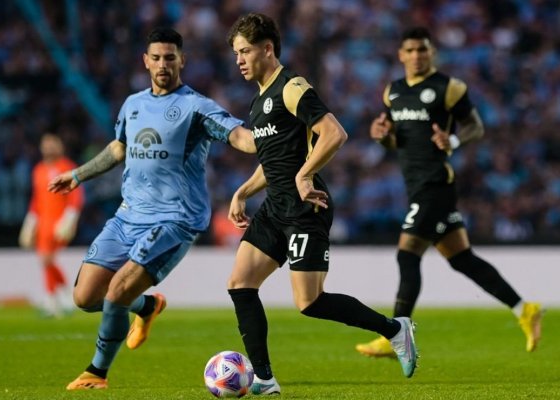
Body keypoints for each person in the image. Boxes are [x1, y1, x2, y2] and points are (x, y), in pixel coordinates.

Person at [48, 27, 257, 390]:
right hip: (128, 215)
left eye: (170, 57)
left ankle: (97, 372)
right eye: (156, 58)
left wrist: (269, 136)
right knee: (84, 298)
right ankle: (146, 307)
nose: (163, 64)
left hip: (174, 220)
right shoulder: (133, 104)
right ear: (145, 61)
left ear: (182, 60)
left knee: (116, 293)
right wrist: (78, 176)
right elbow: (118, 149)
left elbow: (239, 136)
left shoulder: (196, 107)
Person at [225, 13, 418, 395]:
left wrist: (305, 173)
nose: (239, 60)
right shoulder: (259, 101)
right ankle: (264, 378)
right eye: (235, 53)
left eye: (245, 51)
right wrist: (243, 190)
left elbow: (334, 132)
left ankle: (395, 329)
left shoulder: (292, 86)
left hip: (305, 208)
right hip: (275, 208)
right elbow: (274, 160)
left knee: (309, 302)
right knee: (240, 283)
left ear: (267, 48)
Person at [355, 27, 542, 358]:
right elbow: (396, 140)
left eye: (423, 50)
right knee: (462, 259)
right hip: (415, 183)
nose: (417, 56)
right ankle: (524, 309)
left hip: (436, 183)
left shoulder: (449, 88)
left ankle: (394, 333)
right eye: (410, 50)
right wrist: (381, 135)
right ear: (401, 55)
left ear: (432, 53)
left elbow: (475, 126)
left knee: (406, 253)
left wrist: (452, 141)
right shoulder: (393, 92)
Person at [19, 133, 84, 317]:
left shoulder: (67, 167)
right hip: (43, 223)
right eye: (46, 145)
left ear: (60, 147)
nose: (49, 148)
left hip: (59, 222)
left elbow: (76, 197)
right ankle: (59, 296)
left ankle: (53, 297)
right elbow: (36, 199)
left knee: (46, 259)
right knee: (46, 261)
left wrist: (70, 219)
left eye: (53, 144)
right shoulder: (38, 170)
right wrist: (30, 222)